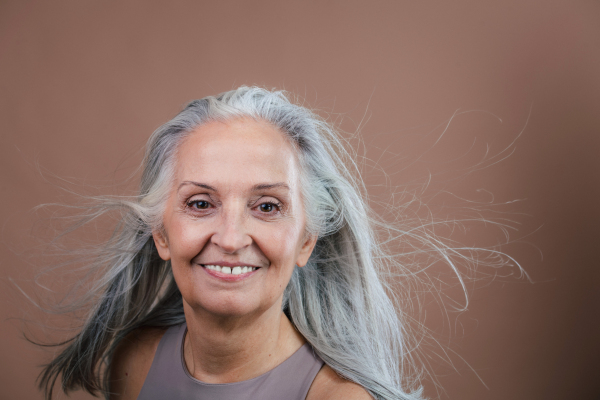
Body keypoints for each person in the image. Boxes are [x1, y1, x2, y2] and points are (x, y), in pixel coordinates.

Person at [38, 87, 432, 400]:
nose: (230, 238)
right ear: (160, 233)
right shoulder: (134, 362)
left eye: (266, 206)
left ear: (306, 241)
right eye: (200, 204)